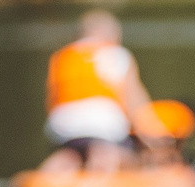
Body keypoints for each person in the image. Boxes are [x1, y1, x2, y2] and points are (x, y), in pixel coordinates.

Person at [40, 9, 174, 175]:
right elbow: (136, 104)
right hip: (105, 128)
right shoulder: (117, 54)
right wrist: (157, 141)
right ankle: (102, 168)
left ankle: (59, 168)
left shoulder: (62, 57)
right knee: (117, 154)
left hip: (64, 129)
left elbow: (52, 101)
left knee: (72, 154)